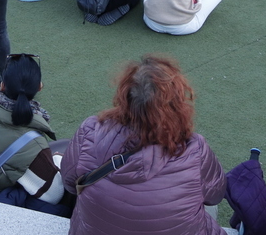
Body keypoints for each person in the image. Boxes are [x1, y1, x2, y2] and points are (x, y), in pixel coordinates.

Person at [62, 54, 227, 233]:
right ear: (177, 105)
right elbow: (215, 195)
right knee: (204, 203)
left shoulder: (90, 130)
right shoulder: (195, 148)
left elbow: (70, 183)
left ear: (125, 97)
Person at [0, 53, 66, 207]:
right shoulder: (35, 144)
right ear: (40, 86)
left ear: (2, 84)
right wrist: (58, 162)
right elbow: (54, 194)